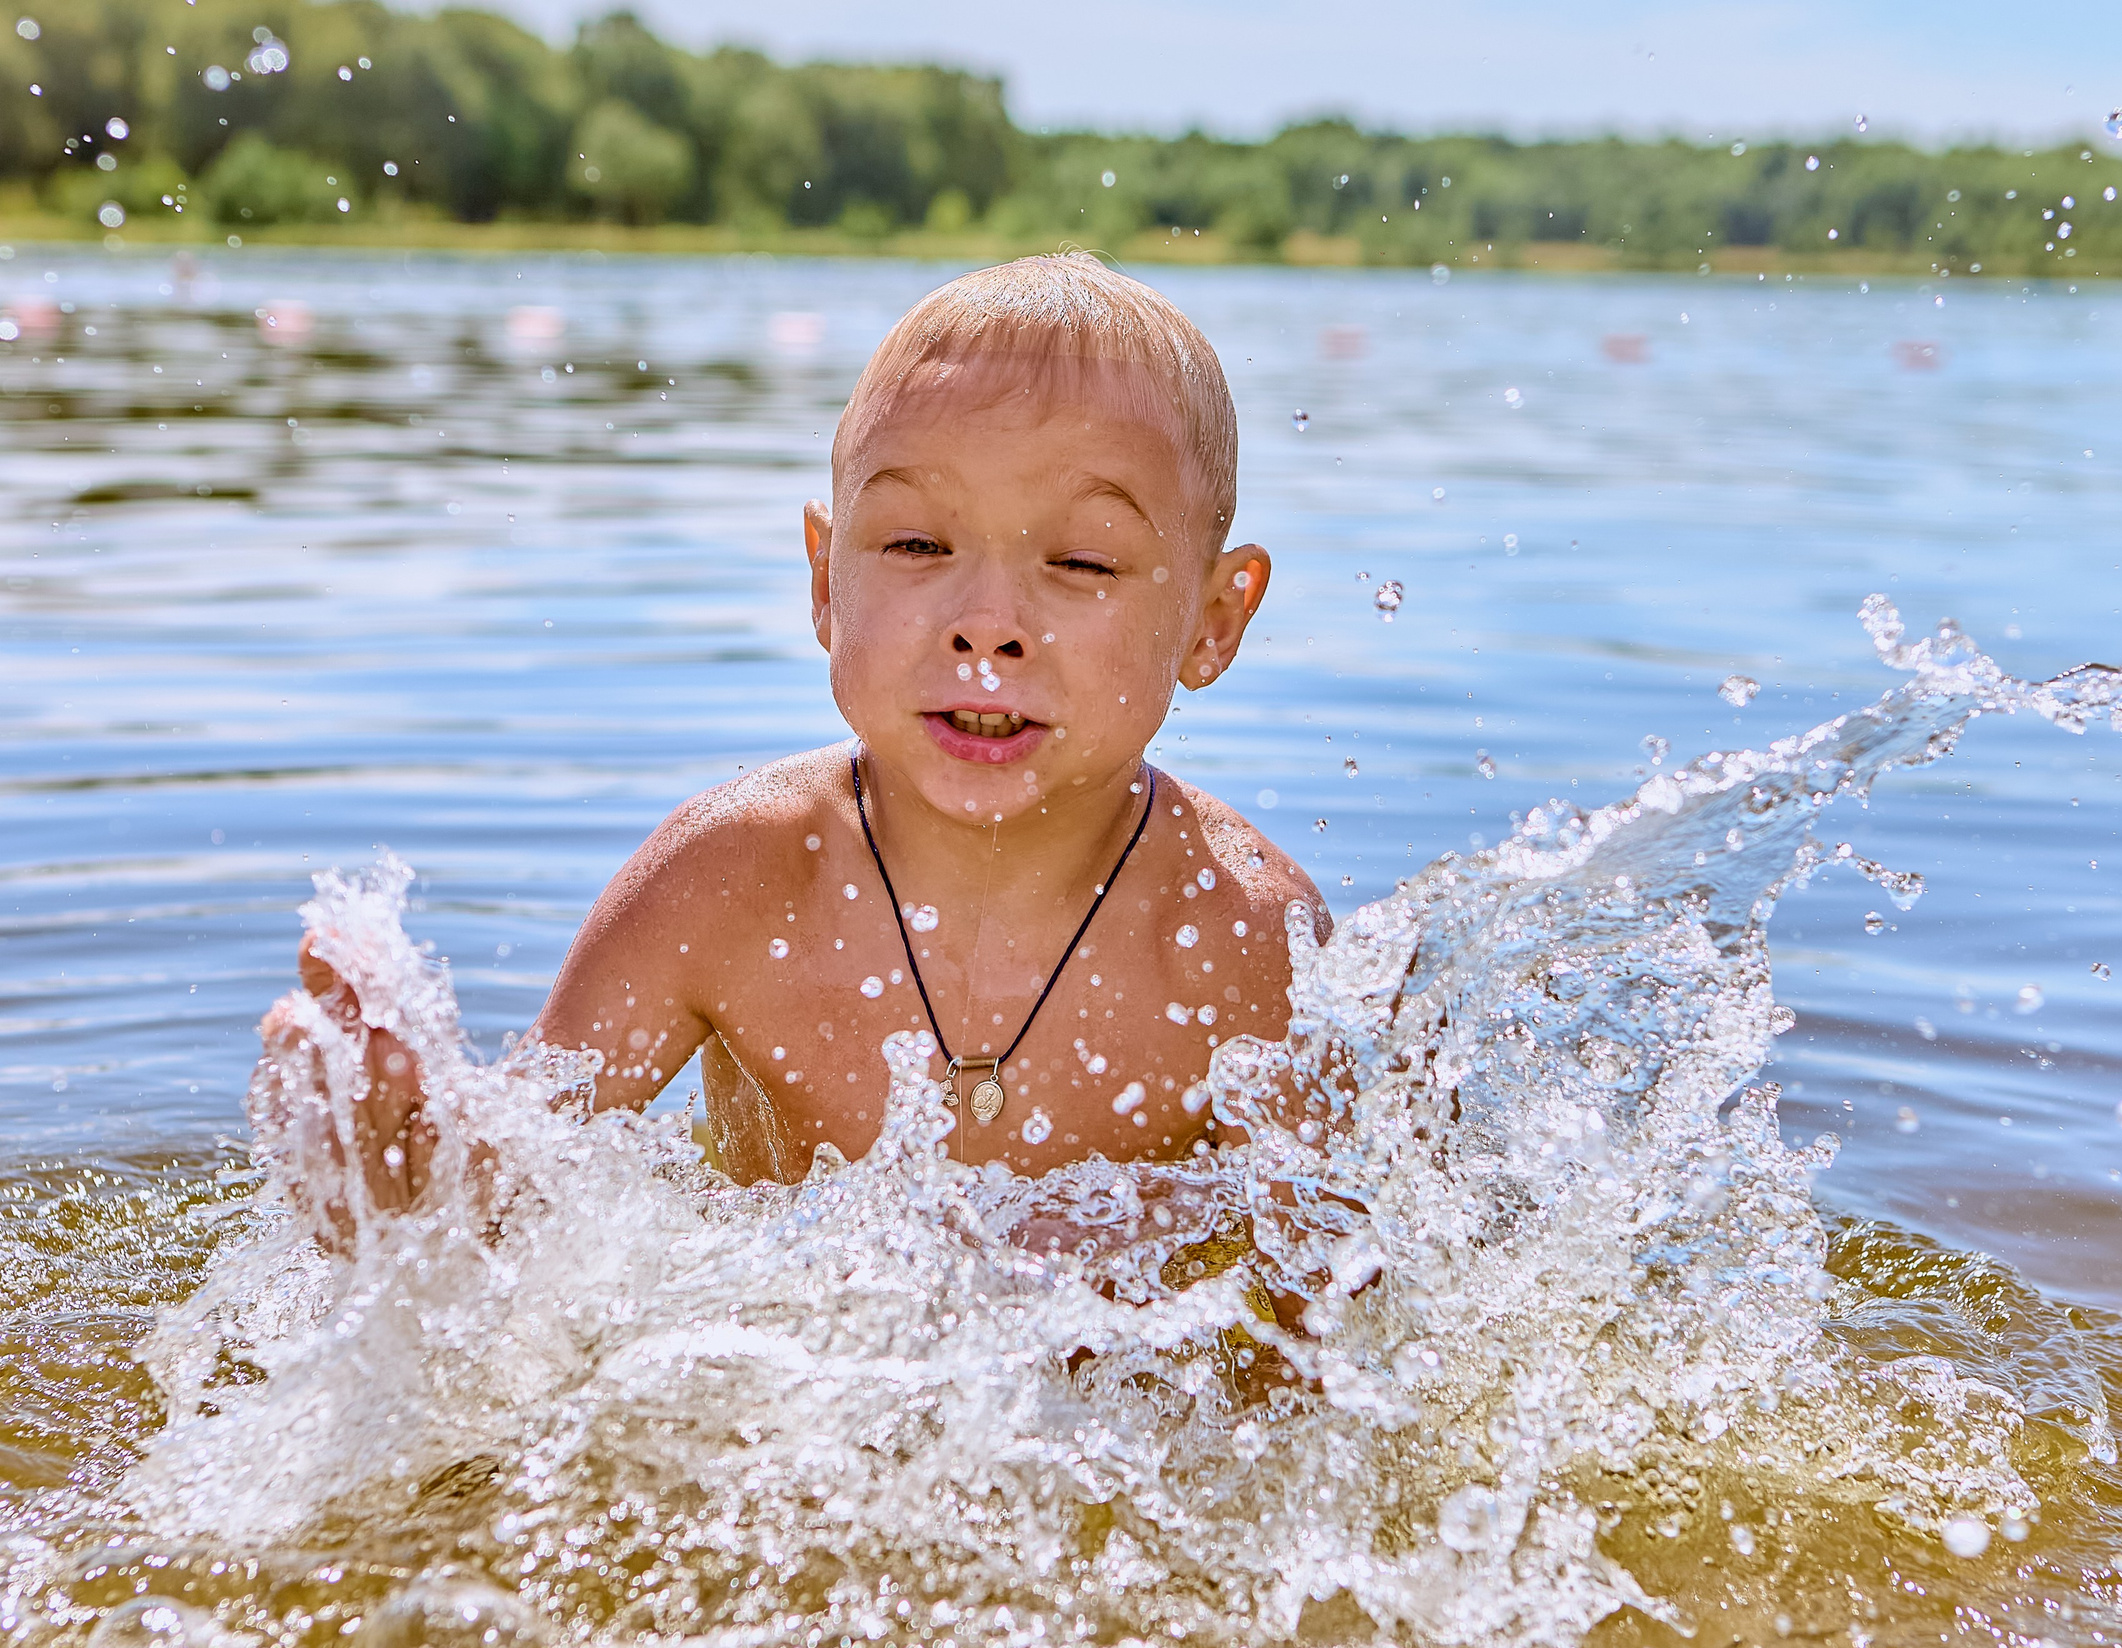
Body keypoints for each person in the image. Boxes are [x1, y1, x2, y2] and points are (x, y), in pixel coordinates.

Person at [268, 254, 1330, 1212]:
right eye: (916, 542)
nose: (988, 626)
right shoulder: (728, 881)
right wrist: (392, 1177)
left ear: (1212, 620)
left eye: (1084, 563)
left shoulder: (1242, 946)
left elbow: (1338, 1342)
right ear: (826, 581)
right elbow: (509, 1193)